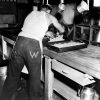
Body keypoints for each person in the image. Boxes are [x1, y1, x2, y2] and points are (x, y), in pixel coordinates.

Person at [0, 4, 65, 100]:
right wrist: (60, 28)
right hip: (32, 47)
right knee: (34, 80)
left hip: (19, 43)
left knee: (12, 77)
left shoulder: (32, 13)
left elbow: (31, 27)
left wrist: (45, 32)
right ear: (48, 11)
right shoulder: (49, 16)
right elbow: (62, 30)